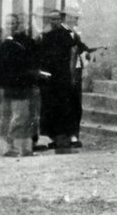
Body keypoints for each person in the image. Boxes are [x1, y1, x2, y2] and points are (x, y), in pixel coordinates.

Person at [37, 9, 89, 153]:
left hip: (68, 77)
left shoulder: (70, 35)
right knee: (52, 107)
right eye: (52, 19)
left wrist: (85, 53)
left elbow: (79, 48)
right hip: (53, 78)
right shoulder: (46, 36)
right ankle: (53, 137)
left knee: (70, 107)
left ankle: (68, 136)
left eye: (57, 19)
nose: (55, 22)